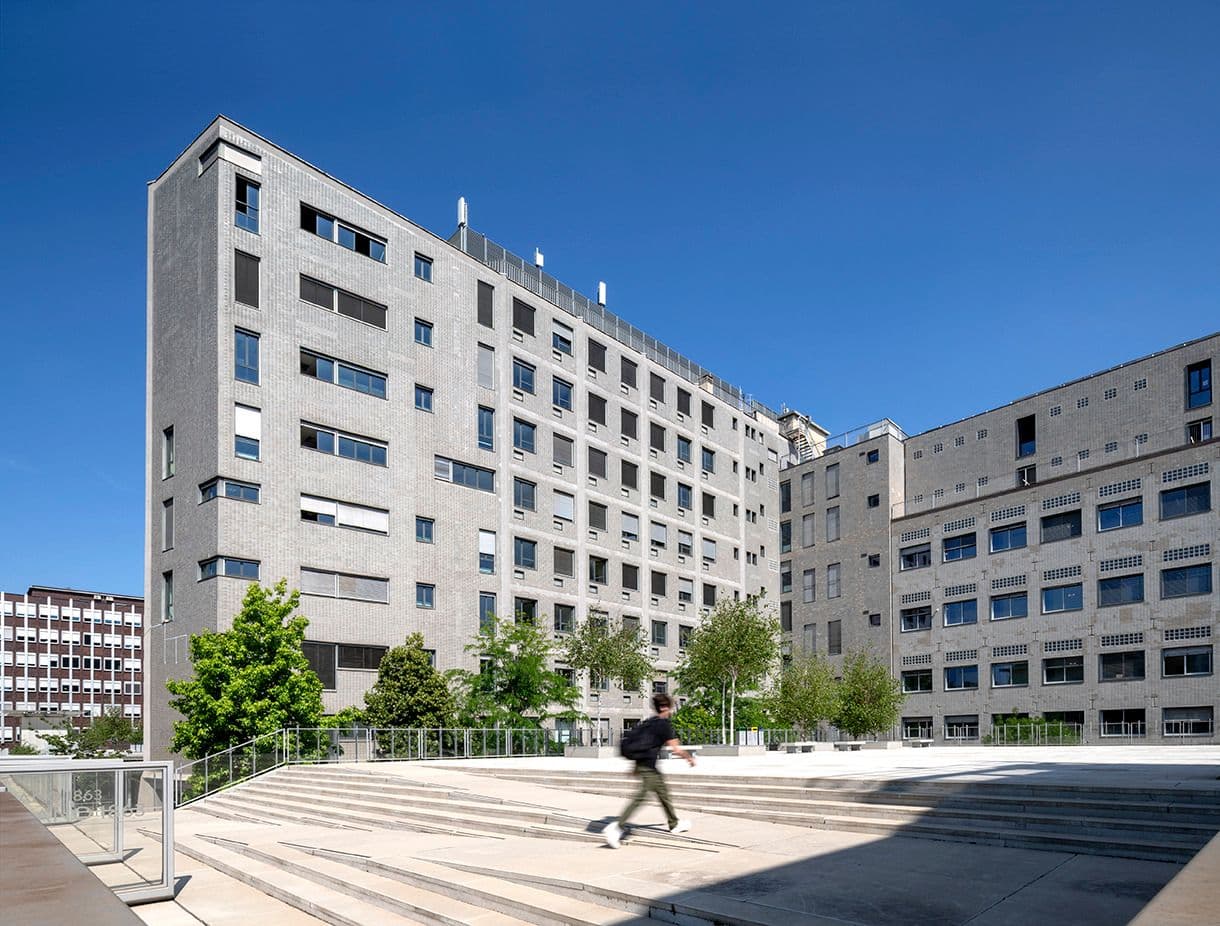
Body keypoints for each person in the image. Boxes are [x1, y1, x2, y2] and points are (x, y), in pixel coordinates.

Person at [603, 693, 694, 848]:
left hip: (645, 765)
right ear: (664, 707)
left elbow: (643, 744)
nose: (671, 710)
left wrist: (634, 767)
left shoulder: (650, 722)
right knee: (640, 797)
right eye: (670, 707)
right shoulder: (664, 725)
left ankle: (674, 823)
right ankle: (616, 828)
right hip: (648, 768)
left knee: (663, 792)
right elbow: (676, 749)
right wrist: (689, 758)